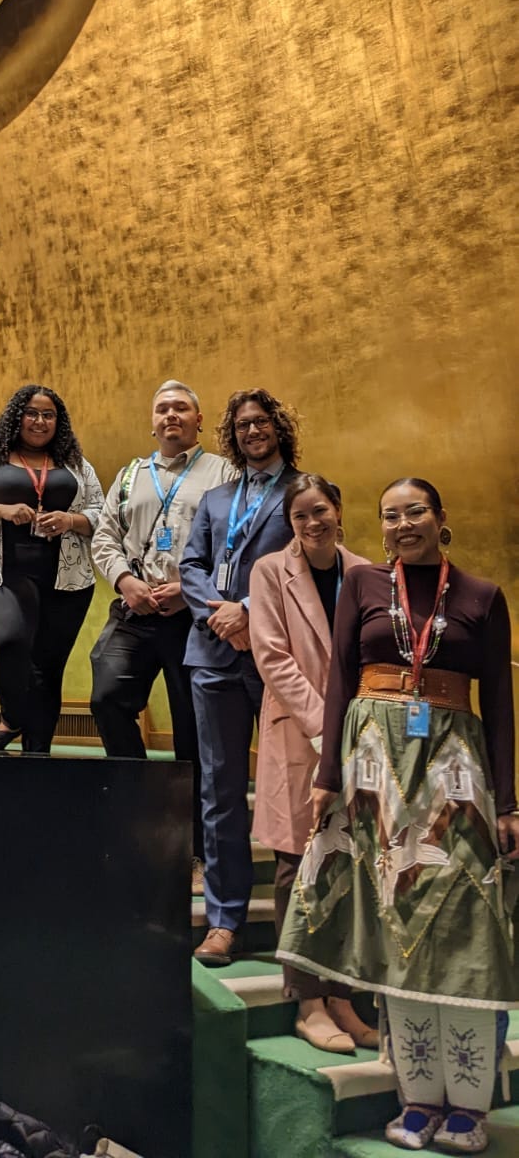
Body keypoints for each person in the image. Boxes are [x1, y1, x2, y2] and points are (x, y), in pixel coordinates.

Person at [278, 478, 519, 1153]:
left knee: (467, 936)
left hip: (457, 775)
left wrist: (510, 801)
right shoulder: (360, 586)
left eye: (415, 512)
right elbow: (337, 685)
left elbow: (498, 700)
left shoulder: (482, 596)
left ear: (442, 519)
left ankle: (469, 1107)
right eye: (390, 516)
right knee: (396, 934)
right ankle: (417, 1101)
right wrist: (328, 779)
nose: (402, 524)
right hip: (374, 774)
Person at [249, 473, 377, 1053]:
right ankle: (306, 999)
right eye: (300, 516)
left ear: (338, 509)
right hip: (300, 733)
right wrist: (329, 727)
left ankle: (344, 996)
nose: (311, 523)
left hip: (362, 737)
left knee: (350, 865)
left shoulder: (368, 571)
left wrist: (357, 728)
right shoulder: (271, 572)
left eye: (319, 510)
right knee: (297, 864)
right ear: (290, 522)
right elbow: (273, 657)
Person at [89, 380, 236, 874]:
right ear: (152, 422)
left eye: (181, 408)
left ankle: (193, 849)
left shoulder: (224, 472)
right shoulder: (131, 474)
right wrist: (125, 580)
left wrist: (190, 591)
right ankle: (142, 814)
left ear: (198, 420)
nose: (170, 415)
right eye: (162, 409)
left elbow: (235, 544)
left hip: (194, 618)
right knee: (106, 696)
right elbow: (105, 535)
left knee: (195, 734)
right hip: (136, 610)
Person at [179, 387, 300, 965]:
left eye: (262, 422)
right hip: (212, 655)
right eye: (244, 425)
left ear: (278, 427)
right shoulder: (216, 497)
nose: (253, 431)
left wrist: (248, 611)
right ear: (232, 433)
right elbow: (191, 565)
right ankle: (224, 923)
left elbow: (308, 566)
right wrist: (222, 614)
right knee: (220, 790)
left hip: (277, 656)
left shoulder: (304, 491)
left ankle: (297, 928)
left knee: (289, 788)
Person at [0, 385, 104, 755]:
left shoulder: (75, 464)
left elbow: (104, 514)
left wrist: (71, 519)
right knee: (5, 641)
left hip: (67, 580)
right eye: (32, 413)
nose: (40, 421)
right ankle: (13, 717)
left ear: (59, 422)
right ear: (16, 416)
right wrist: (3, 510)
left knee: (47, 670)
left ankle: (37, 758)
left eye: (48, 415)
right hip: (7, 571)